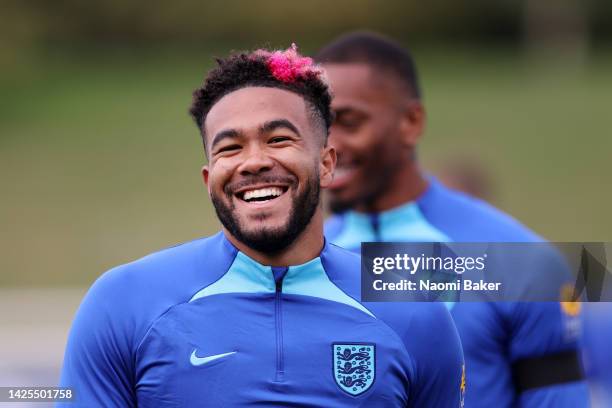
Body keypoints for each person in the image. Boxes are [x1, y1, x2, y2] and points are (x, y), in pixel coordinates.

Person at [58, 45, 464, 407]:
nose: (252, 162)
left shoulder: (415, 315)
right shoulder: (124, 303)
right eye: (230, 148)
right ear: (209, 178)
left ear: (326, 164)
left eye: (278, 139)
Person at [317, 32, 589, 407]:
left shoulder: (522, 260)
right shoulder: (300, 261)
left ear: (411, 122)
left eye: (349, 121)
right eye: (318, 124)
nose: (328, 145)